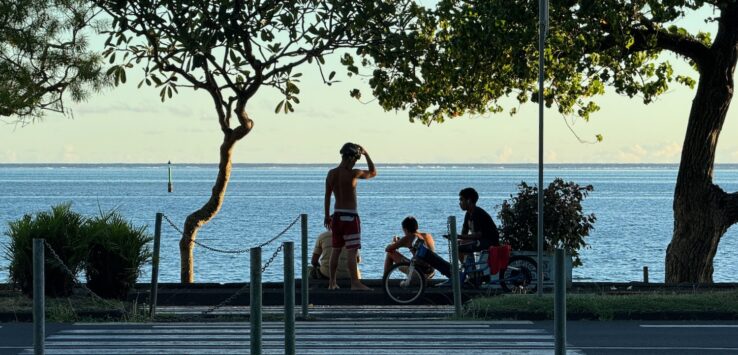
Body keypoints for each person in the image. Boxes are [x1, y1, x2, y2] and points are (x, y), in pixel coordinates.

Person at [324, 142, 376, 290]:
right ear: (350, 157)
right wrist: (366, 154)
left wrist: (327, 216)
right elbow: (373, 172)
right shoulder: (354, 173)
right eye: (355, 159)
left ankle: (332, 282)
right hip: (350, 217)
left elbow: (327, 196)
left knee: (336, 249)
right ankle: (355, 282)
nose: (355, 163)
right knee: (352, 252)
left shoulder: (331, 173)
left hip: (337, 216)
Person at [456, 187, 500, 262]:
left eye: (461, 200)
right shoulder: (468, 214)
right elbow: (464, 233)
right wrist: (456, 238)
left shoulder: (477, 213)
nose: (460, 203)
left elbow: (478, 235)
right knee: (459, 244)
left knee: (461, 248)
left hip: (489, 241)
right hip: (480, 240)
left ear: (469, 201)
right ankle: (469, 268)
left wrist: (460, 237)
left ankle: (469, 269)